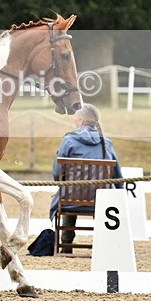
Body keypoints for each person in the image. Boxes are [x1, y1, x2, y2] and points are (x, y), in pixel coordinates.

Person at [48, 104, 122, 253]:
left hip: (70, 201)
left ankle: (67, 243)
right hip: (101, 201)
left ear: (81, 121)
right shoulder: (106, 143)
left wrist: (63, 184)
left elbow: (57, 173)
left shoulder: (68, 140)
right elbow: (117, 175)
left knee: (69, 191)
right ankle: (104, 243)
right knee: (88, 191)